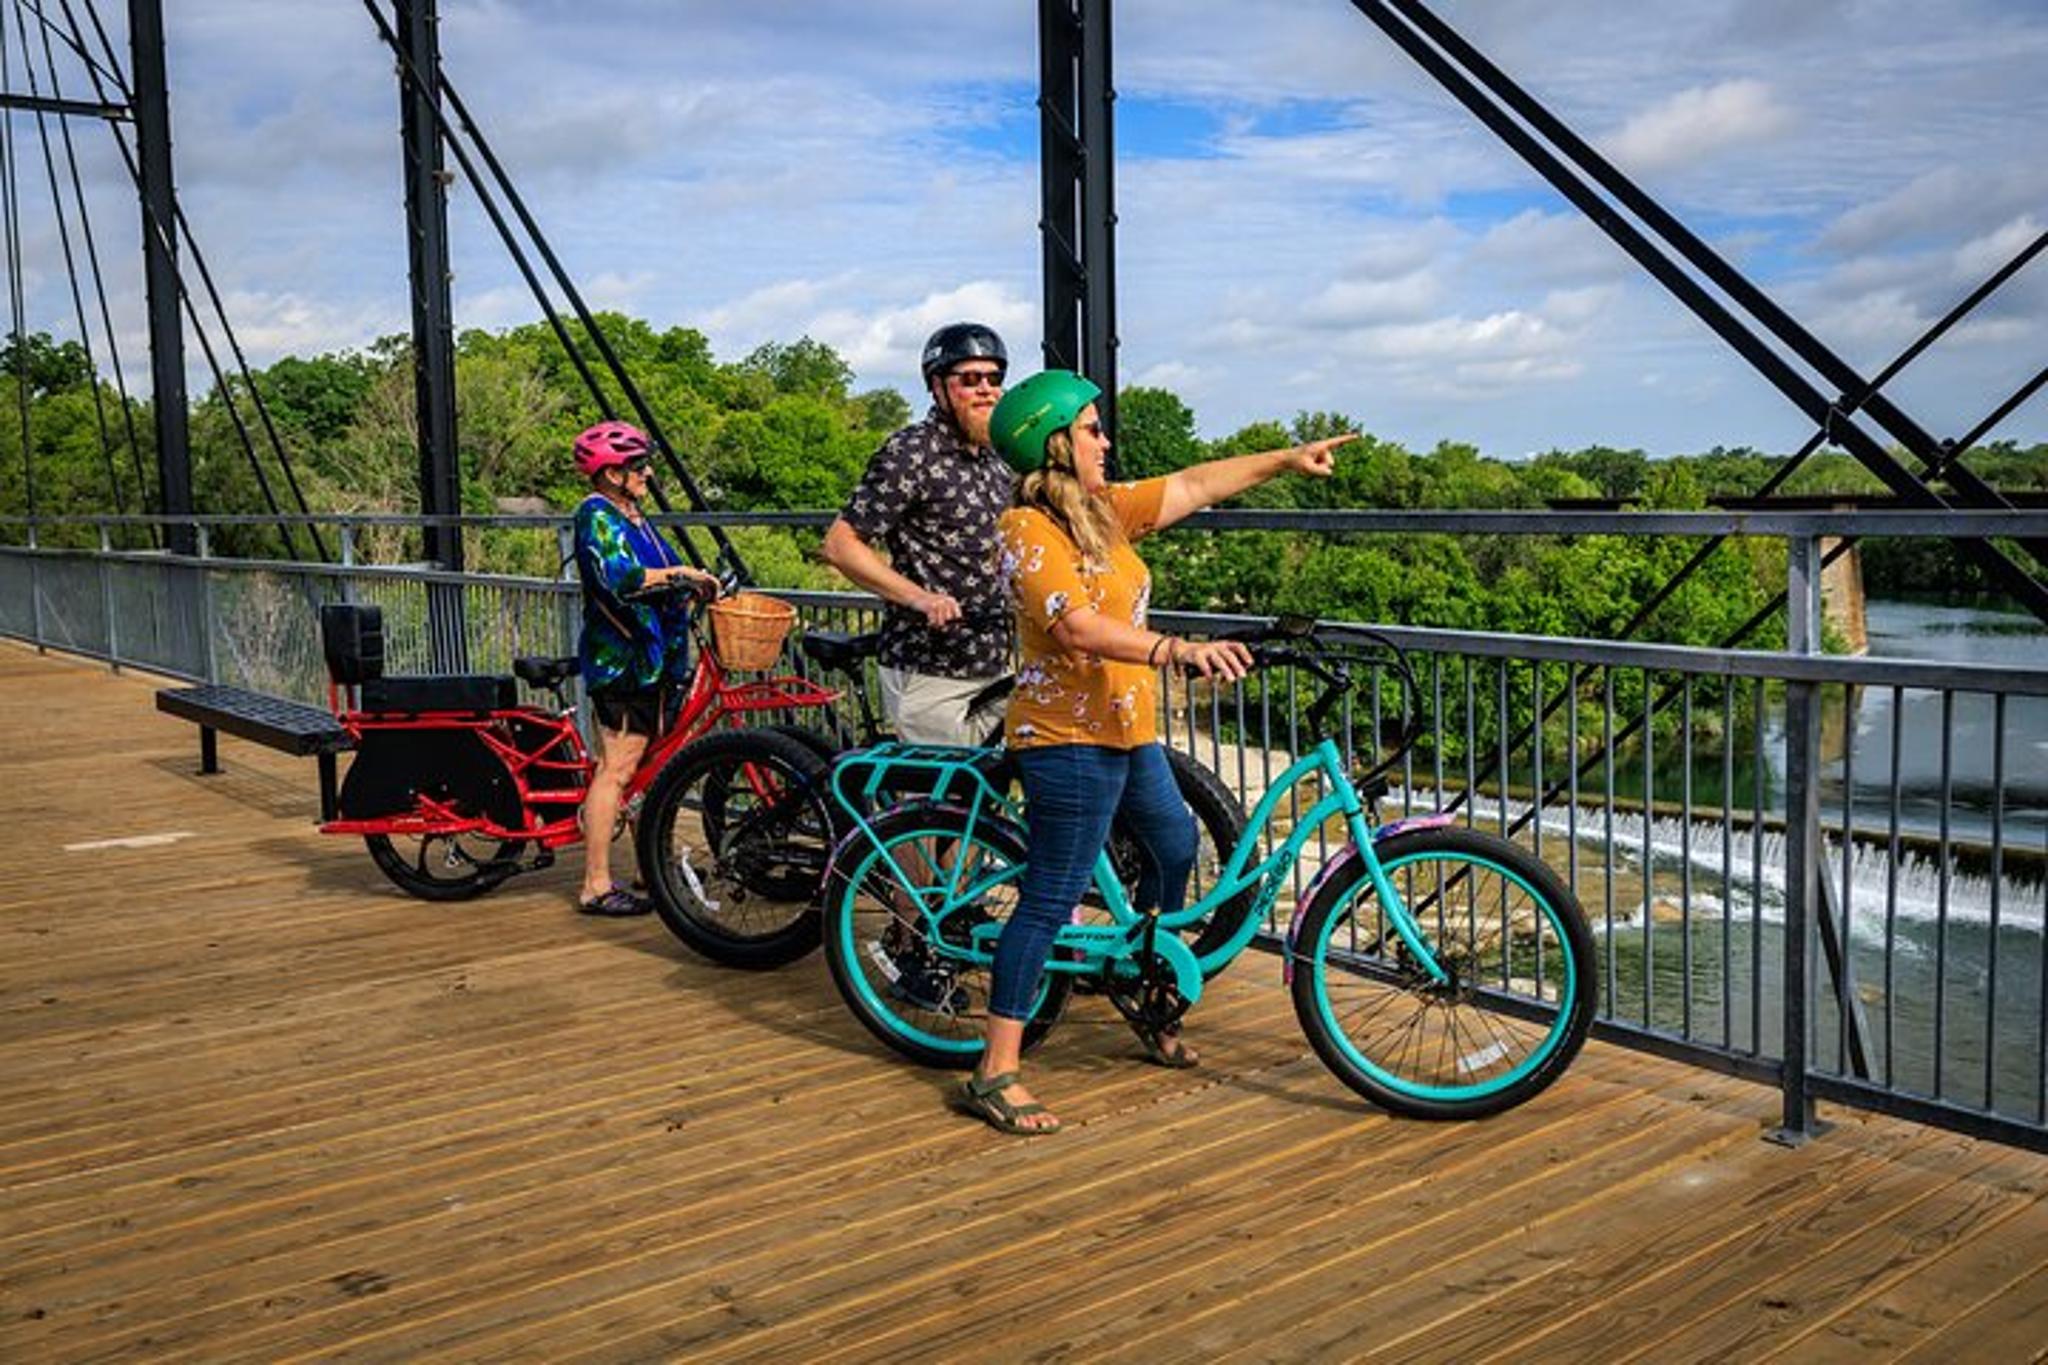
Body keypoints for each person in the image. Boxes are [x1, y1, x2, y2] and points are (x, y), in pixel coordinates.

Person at [957, 369, 1356, 1135]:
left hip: (1128, 728)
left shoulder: (1102, 513)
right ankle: (995, 1068)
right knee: (1050, 893)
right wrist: (1176, 648)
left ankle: (1146, 987)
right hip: (1067, 736)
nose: (1105, 440)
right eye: (1092, 429)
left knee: (1174, 848)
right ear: (1055, 442)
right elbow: (1073, 626)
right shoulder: (1025, 529)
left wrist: (1284, 457)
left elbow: (1196, 483)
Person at [820, 323, 1014, 745]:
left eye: (994, 378)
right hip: (931, 667)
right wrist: (921, 599)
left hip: (993, 661)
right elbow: (840, 544)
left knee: (988, 799)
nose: (986, 389)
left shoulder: (996, 459)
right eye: (970, 379)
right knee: (938, 807)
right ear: (938, 387)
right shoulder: (911, 452)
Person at [570, 420, 719, 916]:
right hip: (624, 661)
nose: (648, 473)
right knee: (618, 767)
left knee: (648, 767)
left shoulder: (633, 516)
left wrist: (692, 581)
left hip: (656, 659)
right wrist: (680, 574)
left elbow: (667, 567)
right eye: (638, 466)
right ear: (612, 473)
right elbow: (621, 577)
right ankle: (595, 883)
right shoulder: (596, 515)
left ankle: (645, 867)